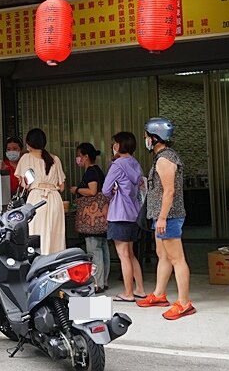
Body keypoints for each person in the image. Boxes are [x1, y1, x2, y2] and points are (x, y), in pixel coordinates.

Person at [136, 118, 195, 320]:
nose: (145, 140)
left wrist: (161, 218)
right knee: (163, 255)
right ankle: (159, 294)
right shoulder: (162, 157)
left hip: (168, 217)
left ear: (154, 138)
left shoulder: (165, 159)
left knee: (177, 259)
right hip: (162, 217)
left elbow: (169, 191)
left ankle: (184, 303)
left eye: (146, 136)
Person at [102, 132, 147, 303]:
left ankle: (128, 293)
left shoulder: (117, 165)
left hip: (119, 213)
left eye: (114, 143)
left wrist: (113, 190)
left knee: (123, 255)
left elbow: (106, 190)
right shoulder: (135, 163)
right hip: (133, 213)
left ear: (119, 145)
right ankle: (140, 290)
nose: (113, 146)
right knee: (131, 253)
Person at [14, 128, 66, 254]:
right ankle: (55, 261)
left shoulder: (26, 158)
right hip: (54, 198)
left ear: (29, 143)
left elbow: (24, 184)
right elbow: (62, 186)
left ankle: (38, 260)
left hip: (37, 198)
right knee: (55, 234)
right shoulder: (55, 159)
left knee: (36, 232)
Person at [70, 142, 109, 292]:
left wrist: (77, 190)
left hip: (92, 219)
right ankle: (103, 280)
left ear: (85, 157)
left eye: (79, 155)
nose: (78, 159)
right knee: (102, 248)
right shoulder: (98, 170)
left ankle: (97, 283)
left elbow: (92, 191)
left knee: (94, 250)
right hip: (100, 218)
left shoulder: (91, 172)